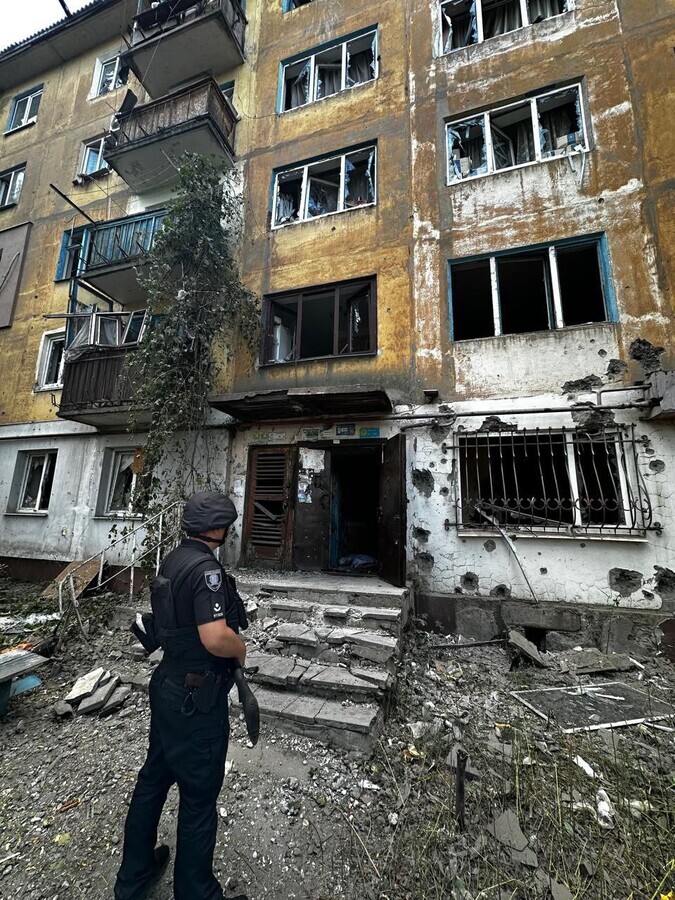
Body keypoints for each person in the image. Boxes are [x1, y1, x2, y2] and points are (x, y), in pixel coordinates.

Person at [114, 491, 247, 900]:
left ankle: (134, 878)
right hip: (196, 697)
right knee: (199, 797)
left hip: (167, 684)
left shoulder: (172, 559)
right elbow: (215, 637)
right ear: (218, 528)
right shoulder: (206, 570)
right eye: (228, 526)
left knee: (153, 779)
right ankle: (196, 893)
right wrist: (241, 648)